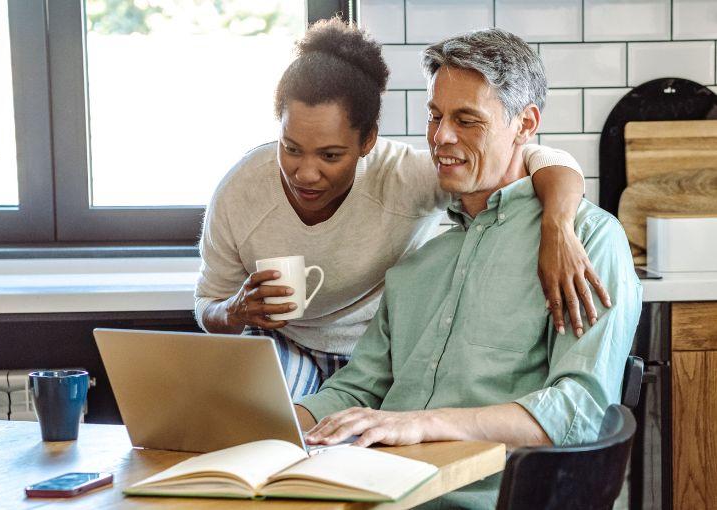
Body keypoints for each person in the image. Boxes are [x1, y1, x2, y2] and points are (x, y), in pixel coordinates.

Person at [294, 28, 642, 508]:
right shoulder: (419, 259)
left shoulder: (585, 242)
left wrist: (423, 422)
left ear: (525, 125)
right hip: (375, 493)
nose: (441, 137)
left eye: (467, 120)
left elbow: (578, 410)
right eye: (435, 116)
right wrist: (281, 420)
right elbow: (358, 387)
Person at [195, 18, 610, 400]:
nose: (305, 173)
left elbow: (543, 160)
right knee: (254, 426)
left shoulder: (405, 177)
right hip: (288, 346)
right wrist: (233, 310)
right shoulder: (241, 192)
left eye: (331, 155)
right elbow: (206, 305)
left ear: (367, 142)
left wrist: (558, 227)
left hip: (376, 358)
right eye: (291, 149)